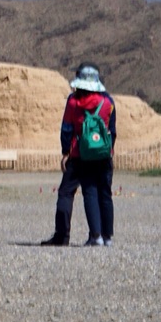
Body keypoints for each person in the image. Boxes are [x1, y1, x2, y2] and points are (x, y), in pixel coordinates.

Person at [44, 63, 116, 247]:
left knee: (86, 192)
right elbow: (112, 131)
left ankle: (94, 236)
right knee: (105, 194)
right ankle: (108, 237)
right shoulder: (108, 102)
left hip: (80, 154)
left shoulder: (73, 101)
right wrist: (109, 150)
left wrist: (65, 151)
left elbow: (66, 128)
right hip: (104, 154)